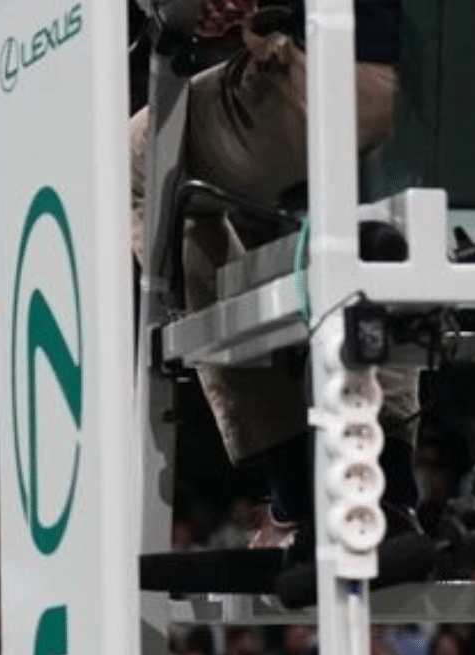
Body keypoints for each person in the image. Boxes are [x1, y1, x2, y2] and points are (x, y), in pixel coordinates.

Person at [129, 0, 418, 546]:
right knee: (369, 230)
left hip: (351, 78)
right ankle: (390, 488)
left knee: (140, 161)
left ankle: (294, 495)